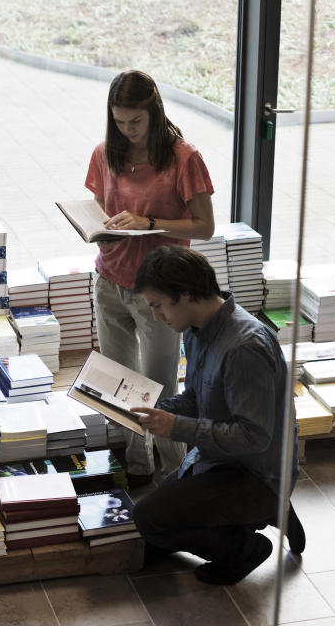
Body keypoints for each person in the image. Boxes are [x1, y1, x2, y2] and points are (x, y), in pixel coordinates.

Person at [129, 245, 299, 585]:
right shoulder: (196, 330)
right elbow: (197, 395)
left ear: (187, 295)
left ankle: (245, 548)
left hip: (253, 473)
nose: (156, 315)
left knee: (149, 518)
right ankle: (246, 518)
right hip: (217, 459)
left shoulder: (244, 347)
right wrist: (158, 412)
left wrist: (176, 427)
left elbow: (253, 436)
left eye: (158, 305)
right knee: (153, 520)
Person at [85, 70, 215, 486]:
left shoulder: (184, 158)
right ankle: (138, 465)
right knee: (118, 382)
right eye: (119, 122)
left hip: (161, 292)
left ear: (154, 112)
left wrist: (150, 222)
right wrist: (102, 231)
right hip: (110, 281)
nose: (128, 131)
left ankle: (180, 474)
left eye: (136, 122)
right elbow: (98, 205)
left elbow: (205, 226)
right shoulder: (106, 153)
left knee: (158, 385)